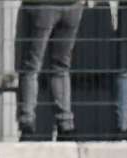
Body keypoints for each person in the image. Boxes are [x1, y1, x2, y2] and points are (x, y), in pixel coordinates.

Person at [17, 0, 85, 140]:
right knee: (61, 67)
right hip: (71, 5)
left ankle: (27, 124)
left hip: (42, 5)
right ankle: (65, 125)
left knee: (31, 66)